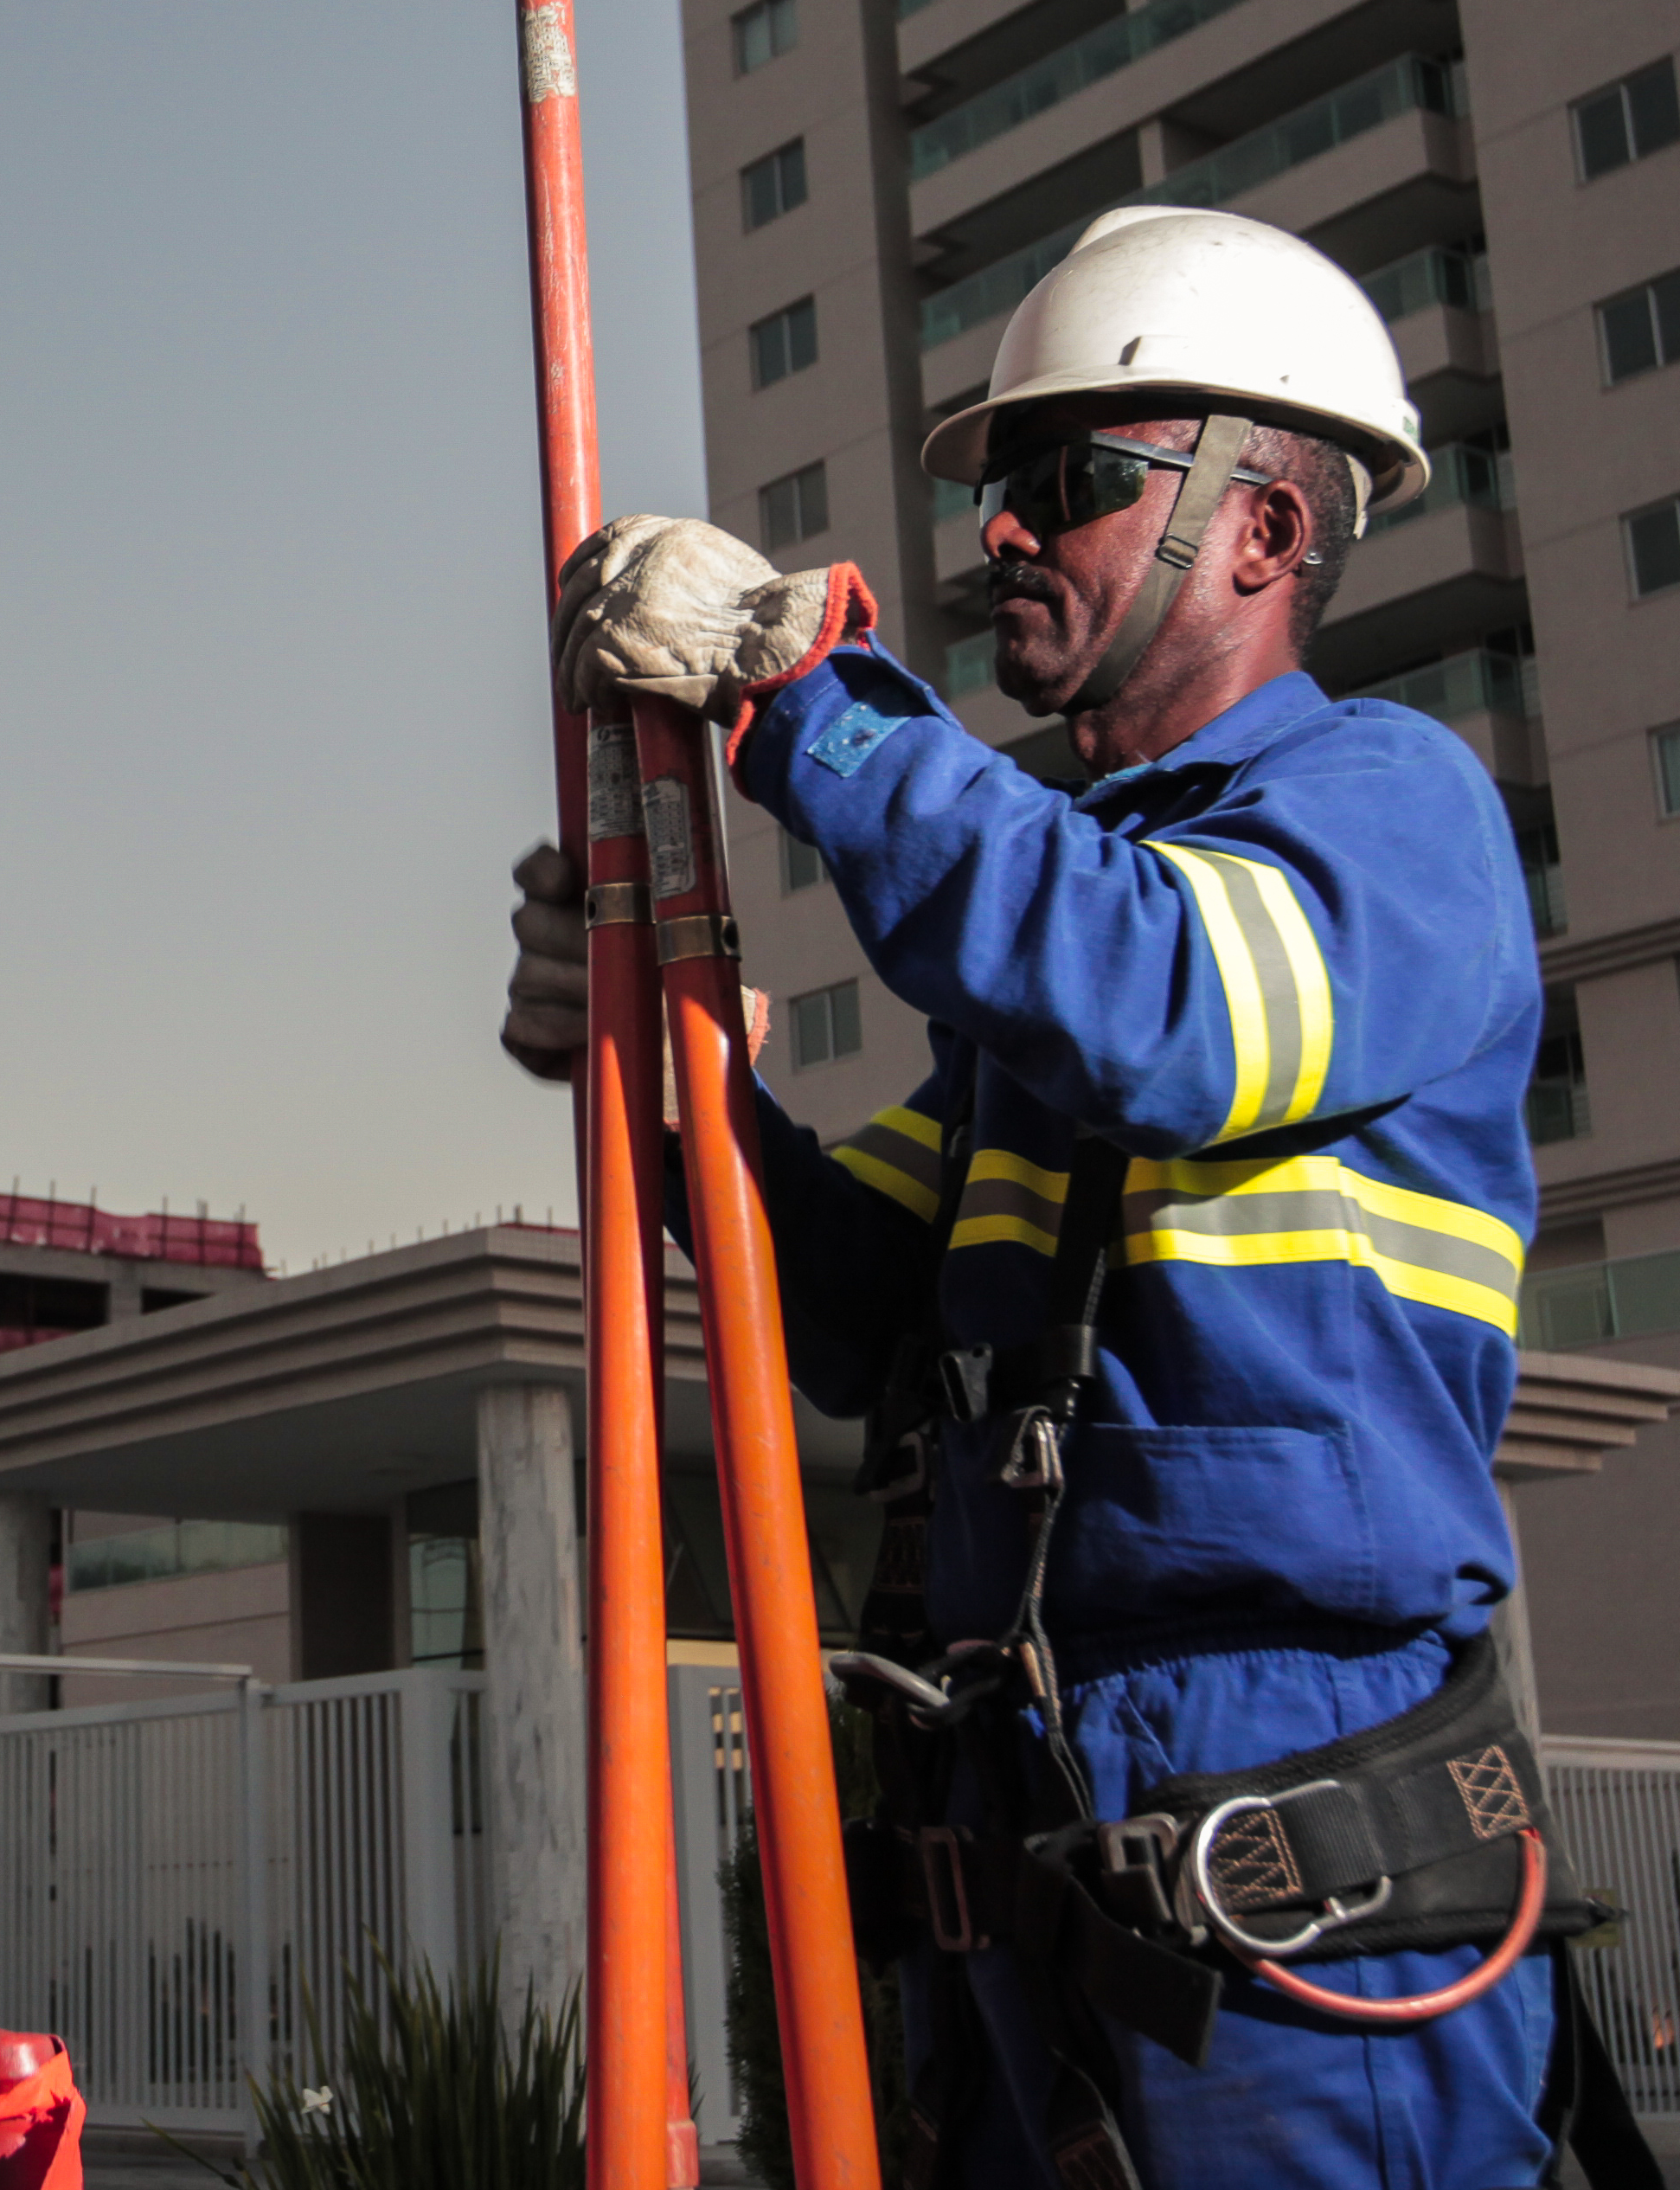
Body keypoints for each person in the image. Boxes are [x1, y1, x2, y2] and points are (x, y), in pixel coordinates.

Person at [503, 207, 1613, 2186]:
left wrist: (804, 697)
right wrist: (680, 1095)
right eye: (1005, 489)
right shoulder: (1041, 956)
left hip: (1279, 1859)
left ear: (1264, 537)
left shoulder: (1384, 811)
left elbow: (1168, 1008)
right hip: (1024, 1855)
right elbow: (854, 1319)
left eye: (1071, 482)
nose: (1005, 532)